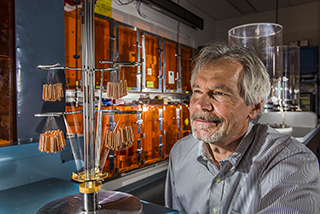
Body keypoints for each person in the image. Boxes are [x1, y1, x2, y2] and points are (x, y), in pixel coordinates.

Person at [165, 40, 320, 214]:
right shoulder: (180, 153)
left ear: (254, 107)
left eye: (219, 93)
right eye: (197, 91)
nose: (201, 105)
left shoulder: (291, 162)